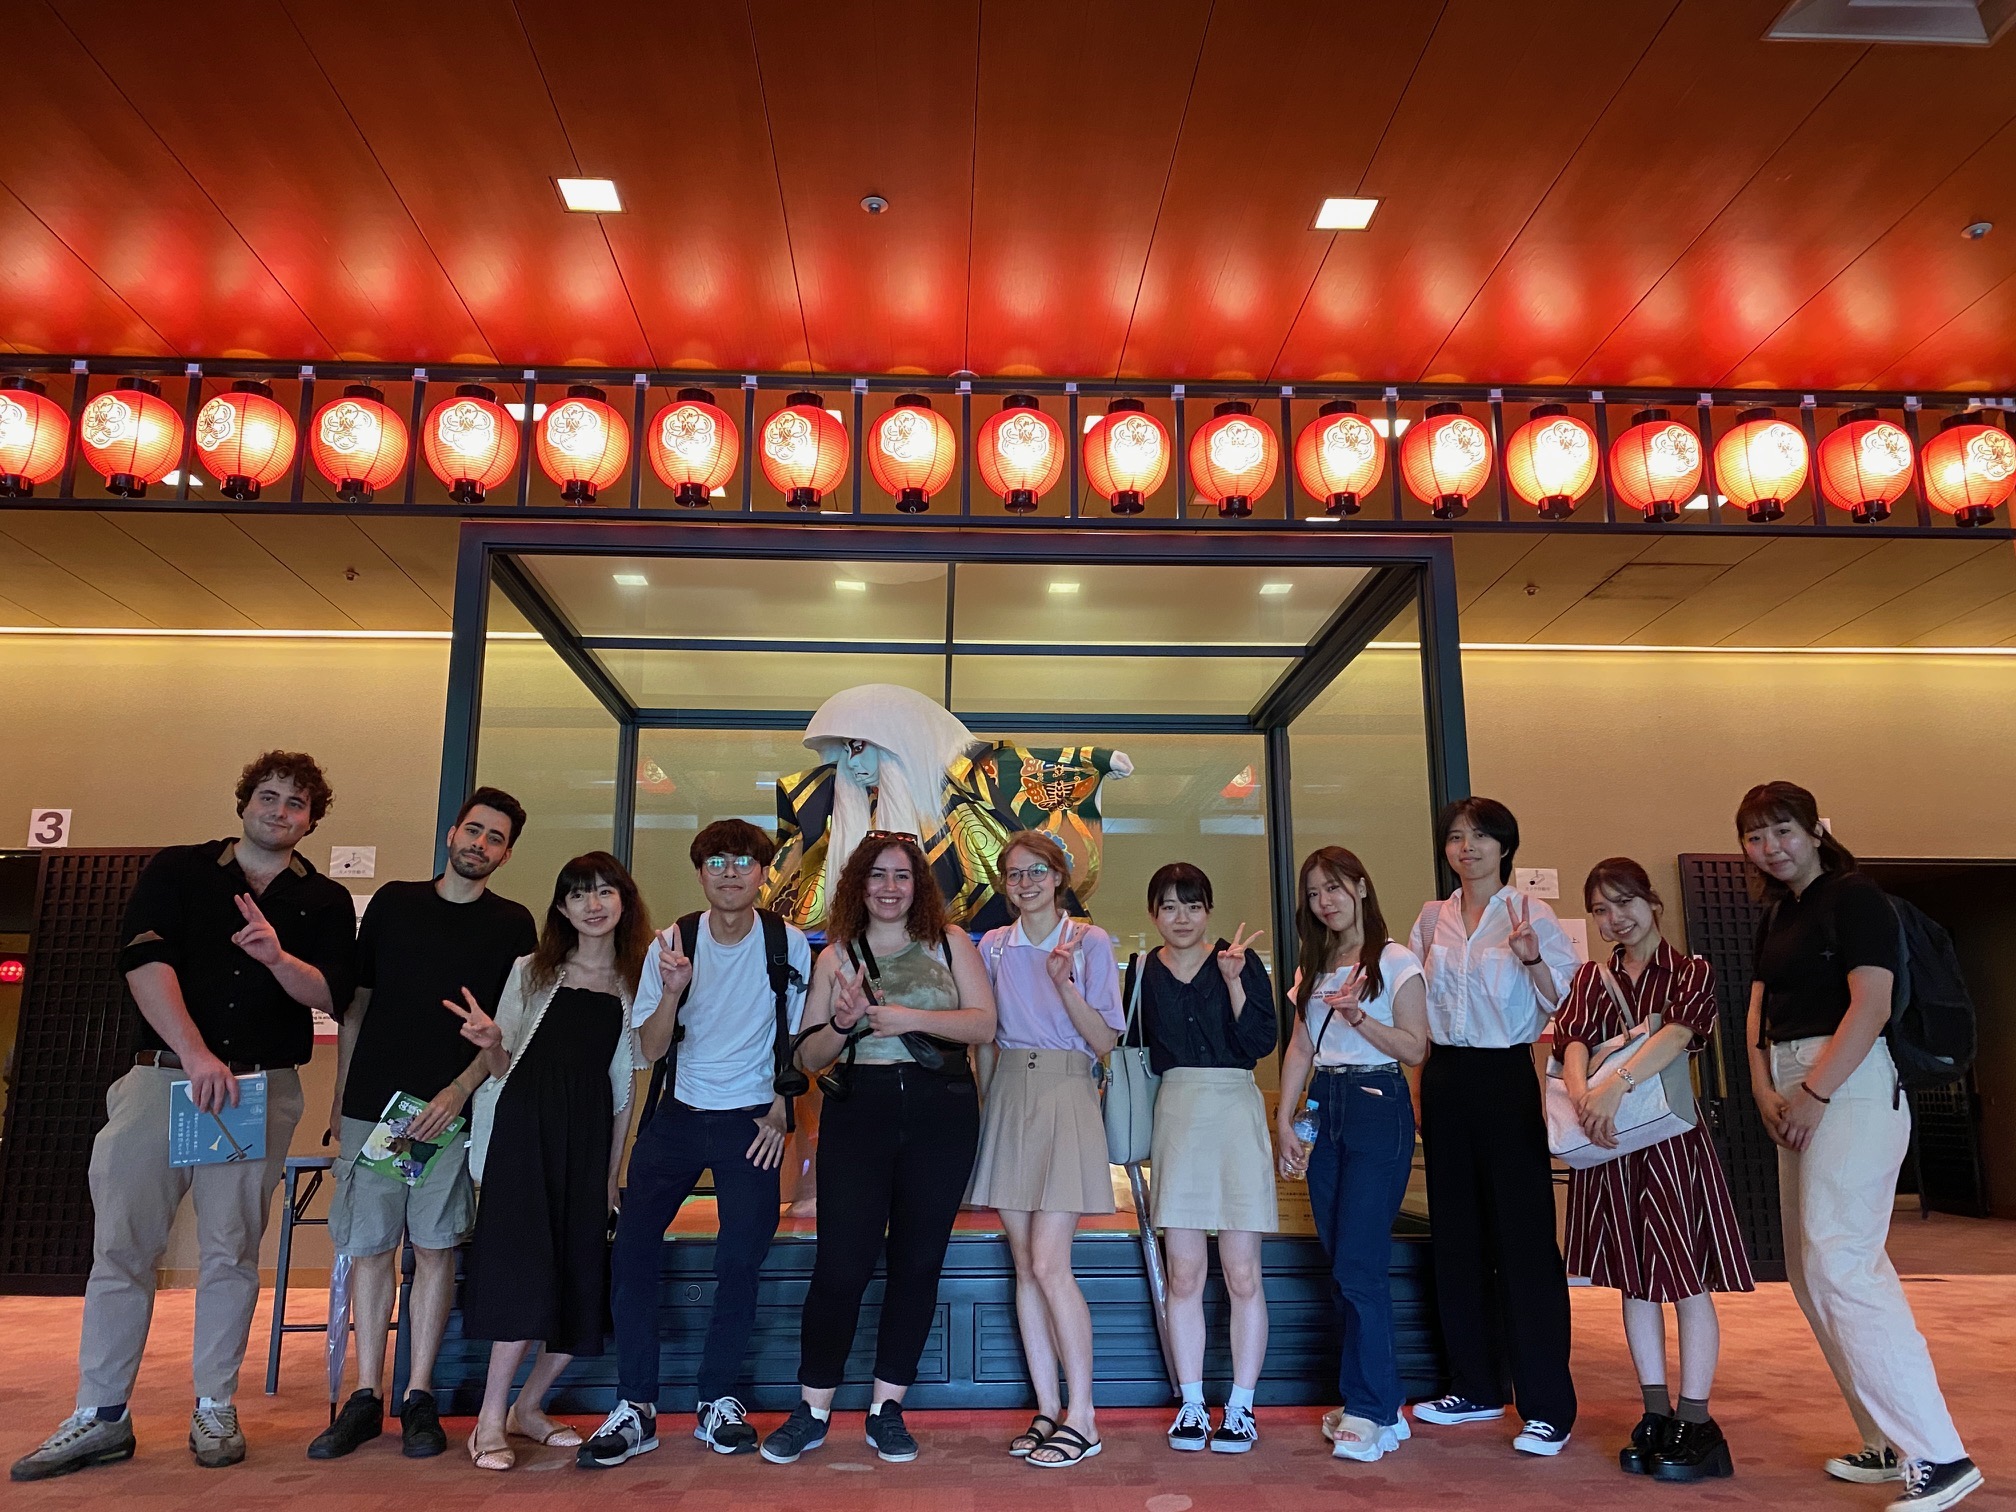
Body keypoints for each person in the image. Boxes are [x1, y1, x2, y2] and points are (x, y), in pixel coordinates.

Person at [11, 753, 356, 1482]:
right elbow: (144, 961)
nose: (280, 811)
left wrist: (275, 956)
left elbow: (329, 992)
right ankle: (100, 1413)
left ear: (311, 819)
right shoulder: (180, 870)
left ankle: (214, 1404)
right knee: (122, 1247)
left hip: (259, 1091)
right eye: (269, 797)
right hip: (163, 1080)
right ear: (245, 802)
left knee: (232, 1252)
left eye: (297, 804)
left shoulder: (322, 901)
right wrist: (196, 1054)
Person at [1740, 782, 1981, 1512]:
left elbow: (1871, 1003)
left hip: (1850, 1083)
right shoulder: (1777, 913)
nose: (1770, 847)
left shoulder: (1856, 898)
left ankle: (1939, 1455)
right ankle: (1881, 1440)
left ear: (1815, 830)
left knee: (1844, 1263)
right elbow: (1757, 1013)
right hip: (1791, 1082)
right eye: (1754, 836)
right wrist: (1764, 1092)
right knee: (1815, 1278)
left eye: (1782, 830)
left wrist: (1813, 1093)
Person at [309, 788, 538, 1460]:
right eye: (474, 831)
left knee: (436, 1248)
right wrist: (340, 1100)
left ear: (506, 852)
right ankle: (365, 1394)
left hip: (450, 1113)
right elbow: (357, 1007)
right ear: (451, 834)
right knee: (371, 1248)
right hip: (374, 1108)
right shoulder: (393, 903)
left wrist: (458, 1091)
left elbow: (506, 1033)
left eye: (496, 838)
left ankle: (420, 1394)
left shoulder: (512, 924)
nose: (481, 845)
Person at [759, 832, 997, 1466]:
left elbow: (983, 1023)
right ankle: (812, 1410)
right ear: (857, 886)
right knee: (842, 1265)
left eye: (902, 876)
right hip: (857, 1110)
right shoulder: (835, 956)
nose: (890, 887)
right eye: (877, 876)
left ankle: (887, 1406)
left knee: (918, 1264)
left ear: (918, 886)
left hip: (940, 1110)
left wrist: (906, 1018)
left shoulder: (951, 942)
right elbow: (808, 1058)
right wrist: (842, 1022)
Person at [580, 819, 811, 1468]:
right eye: (717, 861)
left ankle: (717, 1400)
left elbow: (796, 1038)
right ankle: (636, 1406)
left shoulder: (786, 941)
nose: (731, 872)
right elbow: (649, 1048)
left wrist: (779, 1110)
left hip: (750, 1124)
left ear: (764, 873)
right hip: (677, 1113)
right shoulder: (672, 941)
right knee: (631, 1252)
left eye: (744, 861)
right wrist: (673, 991)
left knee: (740, 1261)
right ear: (700, 871)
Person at [1555, 858, 1754, 1482]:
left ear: (1651, 902)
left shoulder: (1691, 969)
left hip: (1670, 1144)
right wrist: (1585, 1094)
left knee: (1686, 1279)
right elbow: (1571, 1042)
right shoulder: (1592, 976)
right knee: (1634, 1280)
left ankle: (1696, 1419)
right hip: (1610, 1145)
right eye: (1601, 909)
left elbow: (1678, 1035)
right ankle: (1654, 1412)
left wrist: (1613, 1087)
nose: (1615, 918)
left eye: (1625, 902)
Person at [456, 851, 648, 1472]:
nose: (593, 905)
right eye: (577, 894)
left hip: (587, 1143)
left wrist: (612, 1175)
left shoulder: (633, 982)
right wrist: (490, 1047)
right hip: (523, 1137)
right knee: (523, 1277)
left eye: (604, 892)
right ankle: (489, 1421)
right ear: (562, 908)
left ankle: (528, 1409)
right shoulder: (532, 972)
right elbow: (505, 1069)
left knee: (582, 1284)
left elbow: (624, 1090)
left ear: (623, 901)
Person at [1406, 796, 1579, 1456]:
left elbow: (1568, 1002)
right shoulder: (1432, 917)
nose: (1466, 847)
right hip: (1446, 1076)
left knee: (1526, 1241)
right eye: (1455, 837)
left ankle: (1547, 1406)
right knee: (1457, 1235)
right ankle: (1473, 1385)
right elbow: (1416, 1007)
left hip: (1507, 1074)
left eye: (1480, 837)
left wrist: (1533, 958)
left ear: (1506, 846)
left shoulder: (1531, 913)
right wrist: (1421, 1088)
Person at [965, 830, 1125, 1470]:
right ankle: (1045, 1406)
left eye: (1037, 871)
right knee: (1024, 1266)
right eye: (1014, 873)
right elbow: (983, 1034)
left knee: (1053, 1263)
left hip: (1065, 1091)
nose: (1025, 882)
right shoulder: (993, 946)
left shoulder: (1089, 942)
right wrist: (981, 1102)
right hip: (1006, 1094)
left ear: (1060, 877)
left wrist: (1064, 986)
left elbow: (1106, 1041)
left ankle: (1082, 1415)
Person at [1276, 847, 1429, 1464]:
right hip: (1326, 1107)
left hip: (1376, 1101)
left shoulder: (1393, 960)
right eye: (1314, 893)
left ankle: (1368, 1407)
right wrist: (1284, 1121)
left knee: (1360, 1266)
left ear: (1362, 888)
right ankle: (1380, 1403)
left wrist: (1358, 1017)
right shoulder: (1314, 966)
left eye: (1335, 888)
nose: (1325, 901)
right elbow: (1298, 1049)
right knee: (1345, 1263)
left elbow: (1415, 1048)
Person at [1134, 862, 1276, 1455]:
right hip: (1177, 1112)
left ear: (1209, 910)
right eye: (1169, 907)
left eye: (1192, 905)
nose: (1182, 918)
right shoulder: (1143, 970)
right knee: (1185, 1271)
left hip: (1234, 1108)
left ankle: (1241, 1407)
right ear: (1153, 916)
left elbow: (1260, 1042)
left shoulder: (1239, 960)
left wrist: (1237, 983)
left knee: (1243, 1271)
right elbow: (1129, 1044)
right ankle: (1192, 1403)